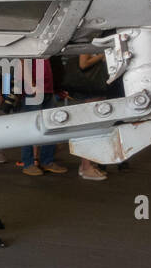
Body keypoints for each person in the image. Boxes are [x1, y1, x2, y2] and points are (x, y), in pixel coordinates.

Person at [58, 52, 117, 180]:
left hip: (94, 91)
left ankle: (88, 165)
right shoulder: (89, 41)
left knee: (94, 128)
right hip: (92, 91)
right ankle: (86, 167)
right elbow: (83, 64)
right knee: (91, 129)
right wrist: (101, 56)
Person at [15, 58, 68, 176]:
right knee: (31, 127)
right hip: (34, 90)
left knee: (50, 126)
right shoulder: (30, 43)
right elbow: (24, 62)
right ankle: (28, 163)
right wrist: (31, 85)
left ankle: (47, 161)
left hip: (47, 89)